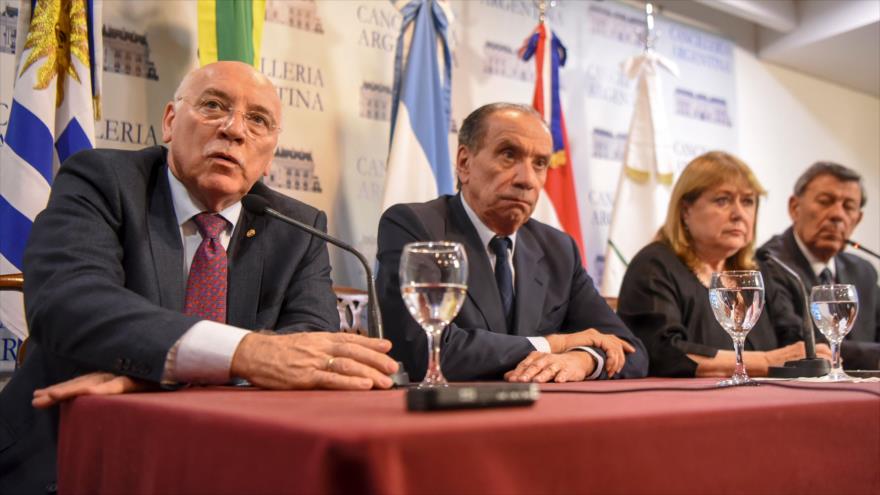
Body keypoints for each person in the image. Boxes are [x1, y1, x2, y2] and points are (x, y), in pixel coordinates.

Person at [0, 61, 398, 494]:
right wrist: (245, 353)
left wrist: (162, 375)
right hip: (69, 455)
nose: (234, 130)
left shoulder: (296, 227)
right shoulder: (102, 180)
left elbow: (309, 345)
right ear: (170, 122)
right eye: (213, 106)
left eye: (258, 120)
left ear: (270, 154)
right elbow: (69, 304)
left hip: (222, 463)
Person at [376, 102, 648, 382]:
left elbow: (632, 350)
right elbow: (426, 352)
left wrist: (584, 359)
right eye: (509, 155)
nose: (527, 180)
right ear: (464, 163)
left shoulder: (558, 249)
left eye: (540, 163)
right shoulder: (416, 227)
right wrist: (554, 345)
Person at [617, 151, 831, 377]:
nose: (739, 214)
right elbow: (664, 353)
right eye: (723, 200)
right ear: (685, 210)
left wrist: (812, 352)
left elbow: (792, 337)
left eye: (748, 201)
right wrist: (767, 360)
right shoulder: (654, 265)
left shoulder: (759, 270)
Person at [760, 162, 880, 370]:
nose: (837, 215)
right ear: (795, 208)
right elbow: (798, 341)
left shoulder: (863, 271)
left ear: (857, 220)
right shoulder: (769, 262)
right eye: (825, 202)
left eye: (848, 206)